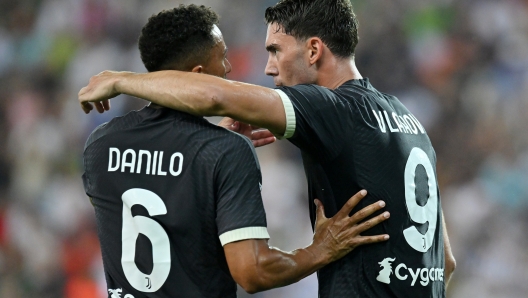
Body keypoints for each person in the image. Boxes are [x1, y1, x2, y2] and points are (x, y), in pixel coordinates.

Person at [79, 0, 456, 297]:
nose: (269, 68)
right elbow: (448, 261)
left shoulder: (332, 109)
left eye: (275, 51)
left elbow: (213, 96)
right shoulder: (408, 120)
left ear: (313, 51)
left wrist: (122, 79)